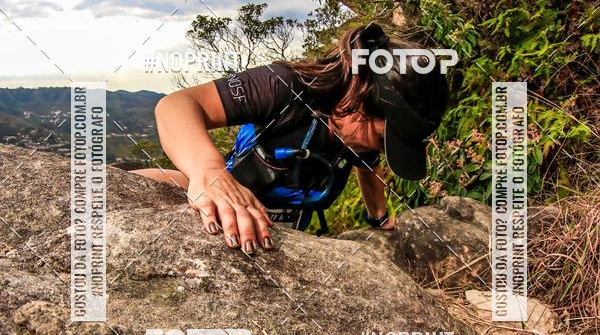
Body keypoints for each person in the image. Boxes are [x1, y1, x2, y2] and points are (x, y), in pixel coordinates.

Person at [135, 23, 448, 253]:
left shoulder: (358, 138)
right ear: (358, 94)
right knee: (153, 181)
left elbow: (368, 167)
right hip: (223, 197)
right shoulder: (287, 86)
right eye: (382, 138)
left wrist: (379, 218)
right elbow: (176, 105)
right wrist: (210, 173)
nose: (377, 149)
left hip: (282, 237)